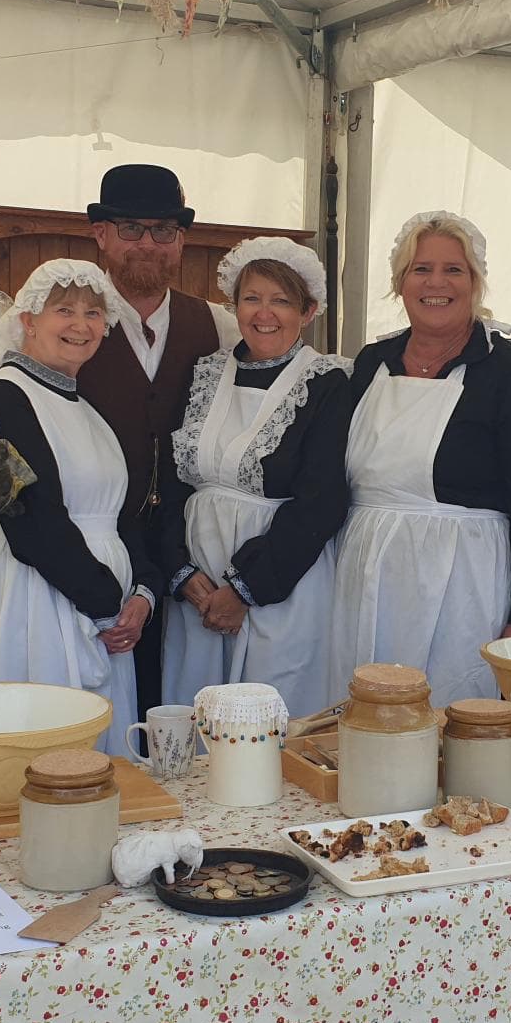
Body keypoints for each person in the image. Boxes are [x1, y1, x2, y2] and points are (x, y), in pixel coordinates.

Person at [0, 165, 235, 717]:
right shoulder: (42, 313)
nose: (148, 243)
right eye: (131, 228)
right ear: (101, 235)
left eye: (164, 230)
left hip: (162, 555)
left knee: (151, 710)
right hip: (54, 570)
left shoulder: (216, 323)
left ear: (182, 241)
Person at [327, 210, 511, 706]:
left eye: (453, 270)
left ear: (476, 282)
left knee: (453, 719)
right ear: (400, 283)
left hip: (463, 587)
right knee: (366, 716)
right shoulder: (371, 364)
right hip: (367, 578)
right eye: (420, 269)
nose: (435, 283)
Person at [0, 259, 164, 742]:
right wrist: (108, 605)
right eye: (63, 309)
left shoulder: (84, 405)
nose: (81, 325)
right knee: (43, 743)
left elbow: (118, 512)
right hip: (37, 595)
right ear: (27, 321)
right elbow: (29, 520)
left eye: (92, 314)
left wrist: (143, 594)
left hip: (99, 604)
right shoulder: (3, 397)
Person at [158, 238, 354, 715]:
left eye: (281, 301)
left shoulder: (328, 382)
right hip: (197, 587)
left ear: (308, 312)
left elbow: (322, 501)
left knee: (270, 721)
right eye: (252, 298)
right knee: (198, 712)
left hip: (281, 583)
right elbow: (172, 484)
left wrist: (246, 589)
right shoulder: (205, 374)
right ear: (235, 305)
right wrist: (181, 571)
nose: (264, 314)